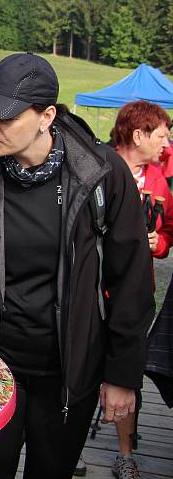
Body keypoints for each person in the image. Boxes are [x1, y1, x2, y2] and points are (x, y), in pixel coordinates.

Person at [0, 52, 156, 479]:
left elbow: (132, 277)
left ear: (47, 116)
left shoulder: (102, 174)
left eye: (5, 117)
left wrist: (122, 374)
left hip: (69, 373)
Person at [107, 100, 173, 478]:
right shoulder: (99, 166)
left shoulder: (159, 179)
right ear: (139, 135)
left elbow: (167, 234)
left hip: (134, 296)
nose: (166, 144)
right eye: (162, 135)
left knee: (126, 375)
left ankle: (124, 452)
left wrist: (157, 244)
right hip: (93, 292)